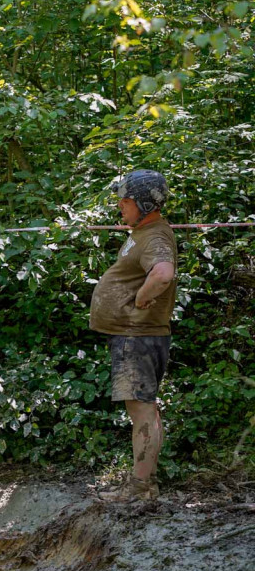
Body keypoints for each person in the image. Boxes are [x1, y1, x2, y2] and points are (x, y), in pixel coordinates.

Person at [89, 169, 177, 502]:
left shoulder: (154, 236)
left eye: (125, 201)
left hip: (138, 336)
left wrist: (141, 298)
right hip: (135, 335)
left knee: (141, 410)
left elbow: (163, 273)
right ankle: (144, 484)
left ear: (143, 203)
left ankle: (141, 489)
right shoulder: (144, 231)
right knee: (146, 410)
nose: (119, 206)